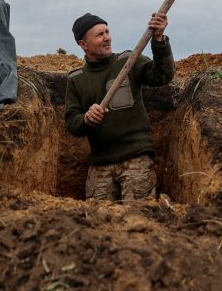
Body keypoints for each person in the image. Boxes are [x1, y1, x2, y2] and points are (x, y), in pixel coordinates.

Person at [64, 12, 175, 201]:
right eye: (99, 35)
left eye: (107, 32)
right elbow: (72, 123)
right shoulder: (76, 80)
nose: (107, 38)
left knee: (139, 220)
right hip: (100, 165)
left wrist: (158, 40)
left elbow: (162, 76)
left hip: (136, 160)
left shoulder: (127, 61)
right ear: (83, 44)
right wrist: (86, 119)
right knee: (94, 221)